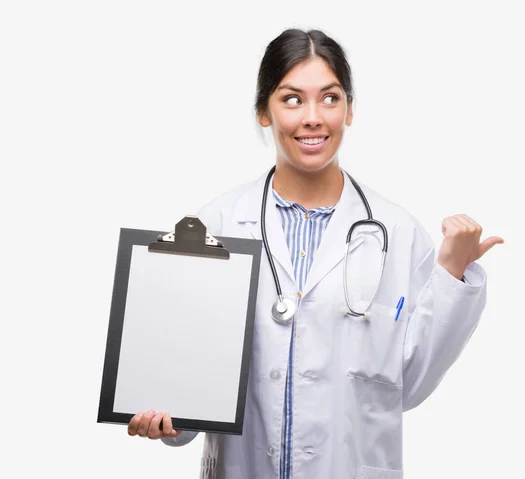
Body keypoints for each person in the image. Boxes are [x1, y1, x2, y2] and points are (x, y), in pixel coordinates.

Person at [127, 28, 503, 479]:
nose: (313, 117)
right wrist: (166, 418)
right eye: (291, 99)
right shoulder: (219, 225)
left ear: (348, 110)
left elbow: (412, 386)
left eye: (329, 98)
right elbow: (187, 379)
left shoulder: (396, 232)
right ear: (264, 112)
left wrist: (452, 273)